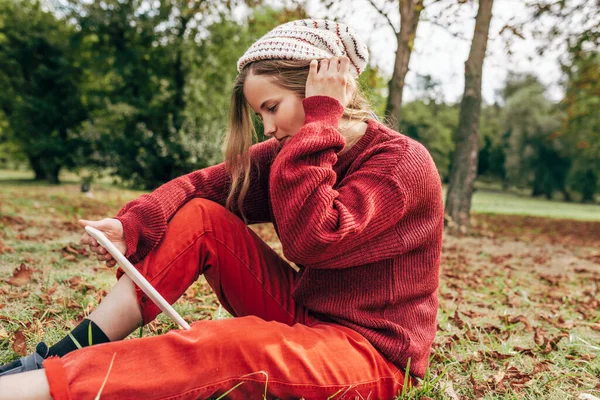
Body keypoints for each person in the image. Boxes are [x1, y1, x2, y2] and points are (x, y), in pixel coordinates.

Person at [0, 18, 443, 400]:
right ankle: (64, 353)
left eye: (272, 108)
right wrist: (132, 223)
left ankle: (37, 389)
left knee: (231, 347)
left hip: (373, 356)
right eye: (260, 115)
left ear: (318, 91)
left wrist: (320, 119)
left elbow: (314, 240)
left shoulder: (400, 164)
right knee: (201, 217)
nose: (267, 128)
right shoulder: (296, 151)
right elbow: (203, 184)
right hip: (307, 315)